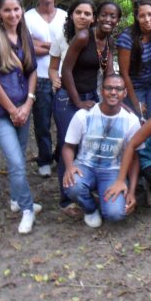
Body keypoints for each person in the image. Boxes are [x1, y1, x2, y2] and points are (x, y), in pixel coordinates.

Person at [0, 0, 40, 234]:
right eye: (7, 10)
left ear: (22, 10)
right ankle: (27, 208)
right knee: (15, 162)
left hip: (23, 109)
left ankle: (16, 199)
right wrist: (14, 110)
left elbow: (32, 71)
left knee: (20, 156)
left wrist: (28, 104)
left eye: (16, 9)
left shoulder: (25, 37)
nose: (13, 14)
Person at [54, 0, 119, 213]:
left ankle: (84, 187)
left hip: (91, 95)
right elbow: (66, 71)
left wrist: (116, 100)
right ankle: (67, 200)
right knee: (68, 143)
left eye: (113, 16)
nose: (108, 20)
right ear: (96, 17)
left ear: (117, 20)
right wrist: (78, 102)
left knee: (87, 144)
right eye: (104, 15)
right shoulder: (83, 37)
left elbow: (109, 73)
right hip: (69, 98)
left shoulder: (108, 41)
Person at [62, 74, 141, 228]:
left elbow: (134, 159)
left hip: (113, 171)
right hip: (85, 166)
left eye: (118, 89)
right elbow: (68, 146)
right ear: (101, 91)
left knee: (116, 213)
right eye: (109, 88)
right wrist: (70, 167)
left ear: (125, 93)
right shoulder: (84, 115)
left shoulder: (131, 121)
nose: (113, 92)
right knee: (72, 185)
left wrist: (131, 191)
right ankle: (90, 209)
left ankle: (103, 198)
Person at [24, 0, 67, 178]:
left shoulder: (65, 17)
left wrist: (41, 45)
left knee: (62, 121)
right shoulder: (28, 17)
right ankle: (44, 158)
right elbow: (25, 46)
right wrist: (53, 47)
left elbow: (69, 44)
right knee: (42, 122)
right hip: (38, 76)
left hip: (61, 77)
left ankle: (61, 155)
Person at [117, 0, 151, 122]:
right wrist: (135, 102)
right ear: (136, 17)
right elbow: (124, 73)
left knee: (150, 120)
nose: (147, 19)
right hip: (134, 87)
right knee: (139, 120)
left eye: (150, 14)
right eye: (142, 16)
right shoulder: (127, 38)